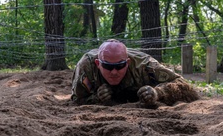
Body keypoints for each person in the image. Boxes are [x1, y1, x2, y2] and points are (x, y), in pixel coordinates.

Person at [70, 39, 199, 107]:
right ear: (98, 64)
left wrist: (158, 93)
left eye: (120, 66)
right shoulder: (86, 67)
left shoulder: (144, 65)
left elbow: (185, 87)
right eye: (108, 67)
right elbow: (77, 99)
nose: (114, 72)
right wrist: (97, 98)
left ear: (128, 62)